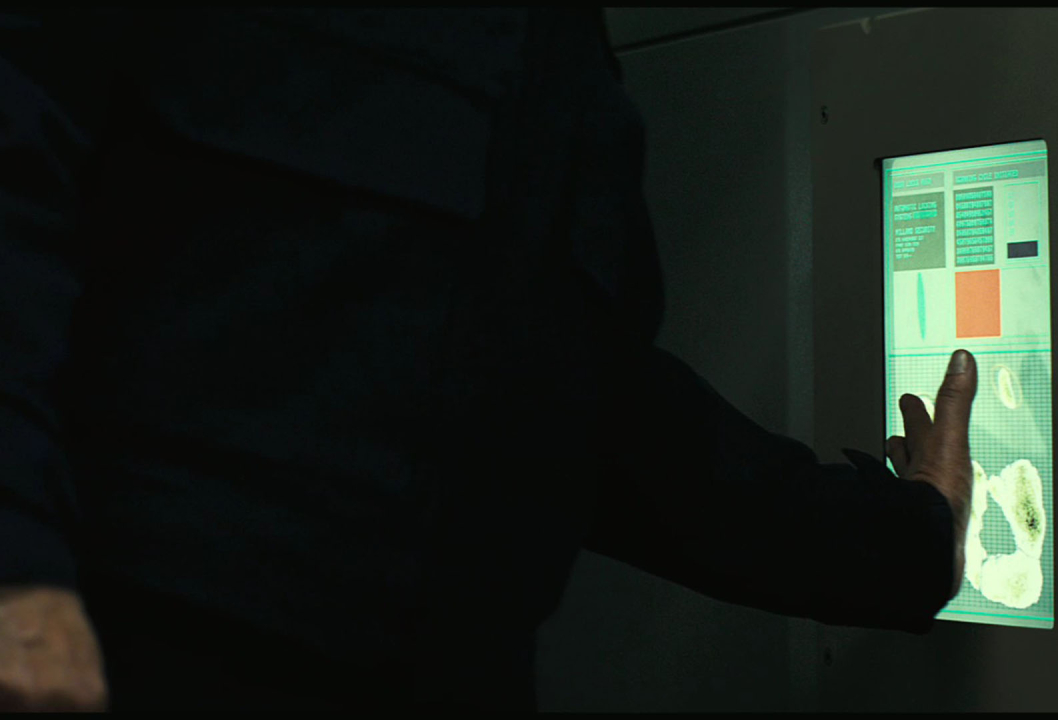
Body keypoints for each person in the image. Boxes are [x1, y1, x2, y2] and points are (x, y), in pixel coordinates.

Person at [0, 8, 976, 712]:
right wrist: (20, 566)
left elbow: (574, 395)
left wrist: (901, 543)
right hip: (131, 656)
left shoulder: (547, 58)